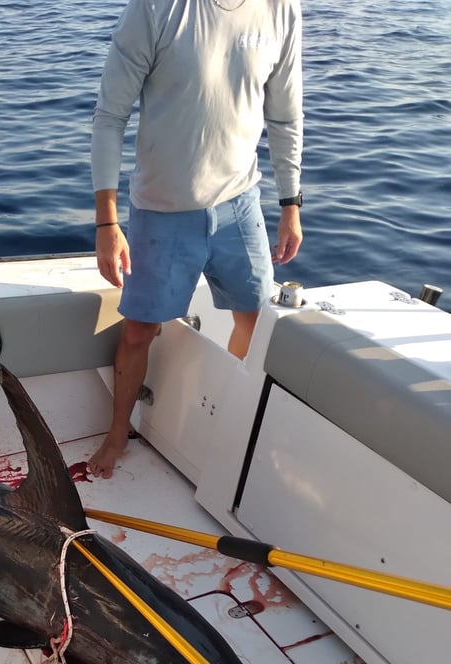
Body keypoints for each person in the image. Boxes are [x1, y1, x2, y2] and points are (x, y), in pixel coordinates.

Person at [88, 0, 304, 478]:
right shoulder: (157, 8)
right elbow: (110, 116)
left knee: (256, 319)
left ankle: (228, 423)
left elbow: (285, 117)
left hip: (241, 206)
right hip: (162, 211)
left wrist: (291, 204)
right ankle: (118, 430)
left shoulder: (282, 10)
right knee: (140, 329)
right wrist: (107, 223)